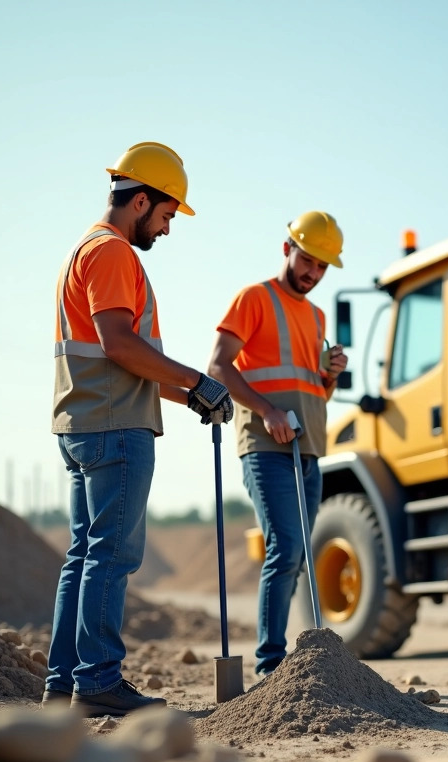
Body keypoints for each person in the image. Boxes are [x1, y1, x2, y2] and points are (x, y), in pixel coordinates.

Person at [48, 142, 234, 716]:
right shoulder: (112, 254)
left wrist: (188, 395)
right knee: (111, 556)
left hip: (84, 421)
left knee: (84, 554)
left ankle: (64, 684)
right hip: (114, 429)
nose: (168, 229)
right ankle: (98, 682)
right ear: (142, 200)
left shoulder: (85, 249)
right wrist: (199, 379)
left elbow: (124, 361)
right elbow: (120, 345)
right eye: (167, 215)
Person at [207, 211, 348, 677]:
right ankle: (271, 665)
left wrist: (329, 374)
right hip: (263, 445)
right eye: (309, 260)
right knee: (284, 548)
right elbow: (219, 367)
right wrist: (266, 411)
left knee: (299, 553)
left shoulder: (317, 315)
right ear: (287, 249)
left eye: (323, 267)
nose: (313, 273)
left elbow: (313, 390)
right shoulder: (255, 298)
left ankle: (283, 663)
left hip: (307, 447)